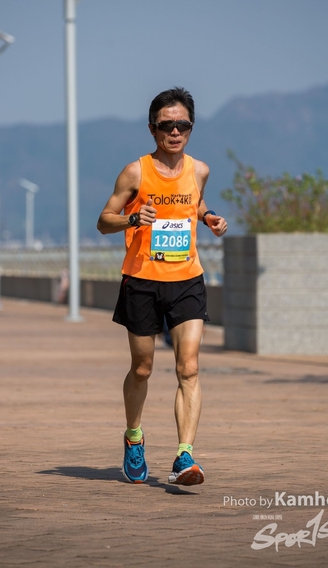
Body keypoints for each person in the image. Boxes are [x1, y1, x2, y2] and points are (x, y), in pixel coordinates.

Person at [97, 87, 227, 485]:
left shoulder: (199, 170)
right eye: (166, 125)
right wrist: (133, 219)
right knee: (142, 368)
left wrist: (208, 216)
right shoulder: (135, 172)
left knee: (189, 367)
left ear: (191, 128)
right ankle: (134, 437)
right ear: (152, 129)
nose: (175, 131)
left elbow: (193, 202)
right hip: (141, 281)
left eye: (182, 125)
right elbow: (104, 220)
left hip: (187, 279)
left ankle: (184, 455)